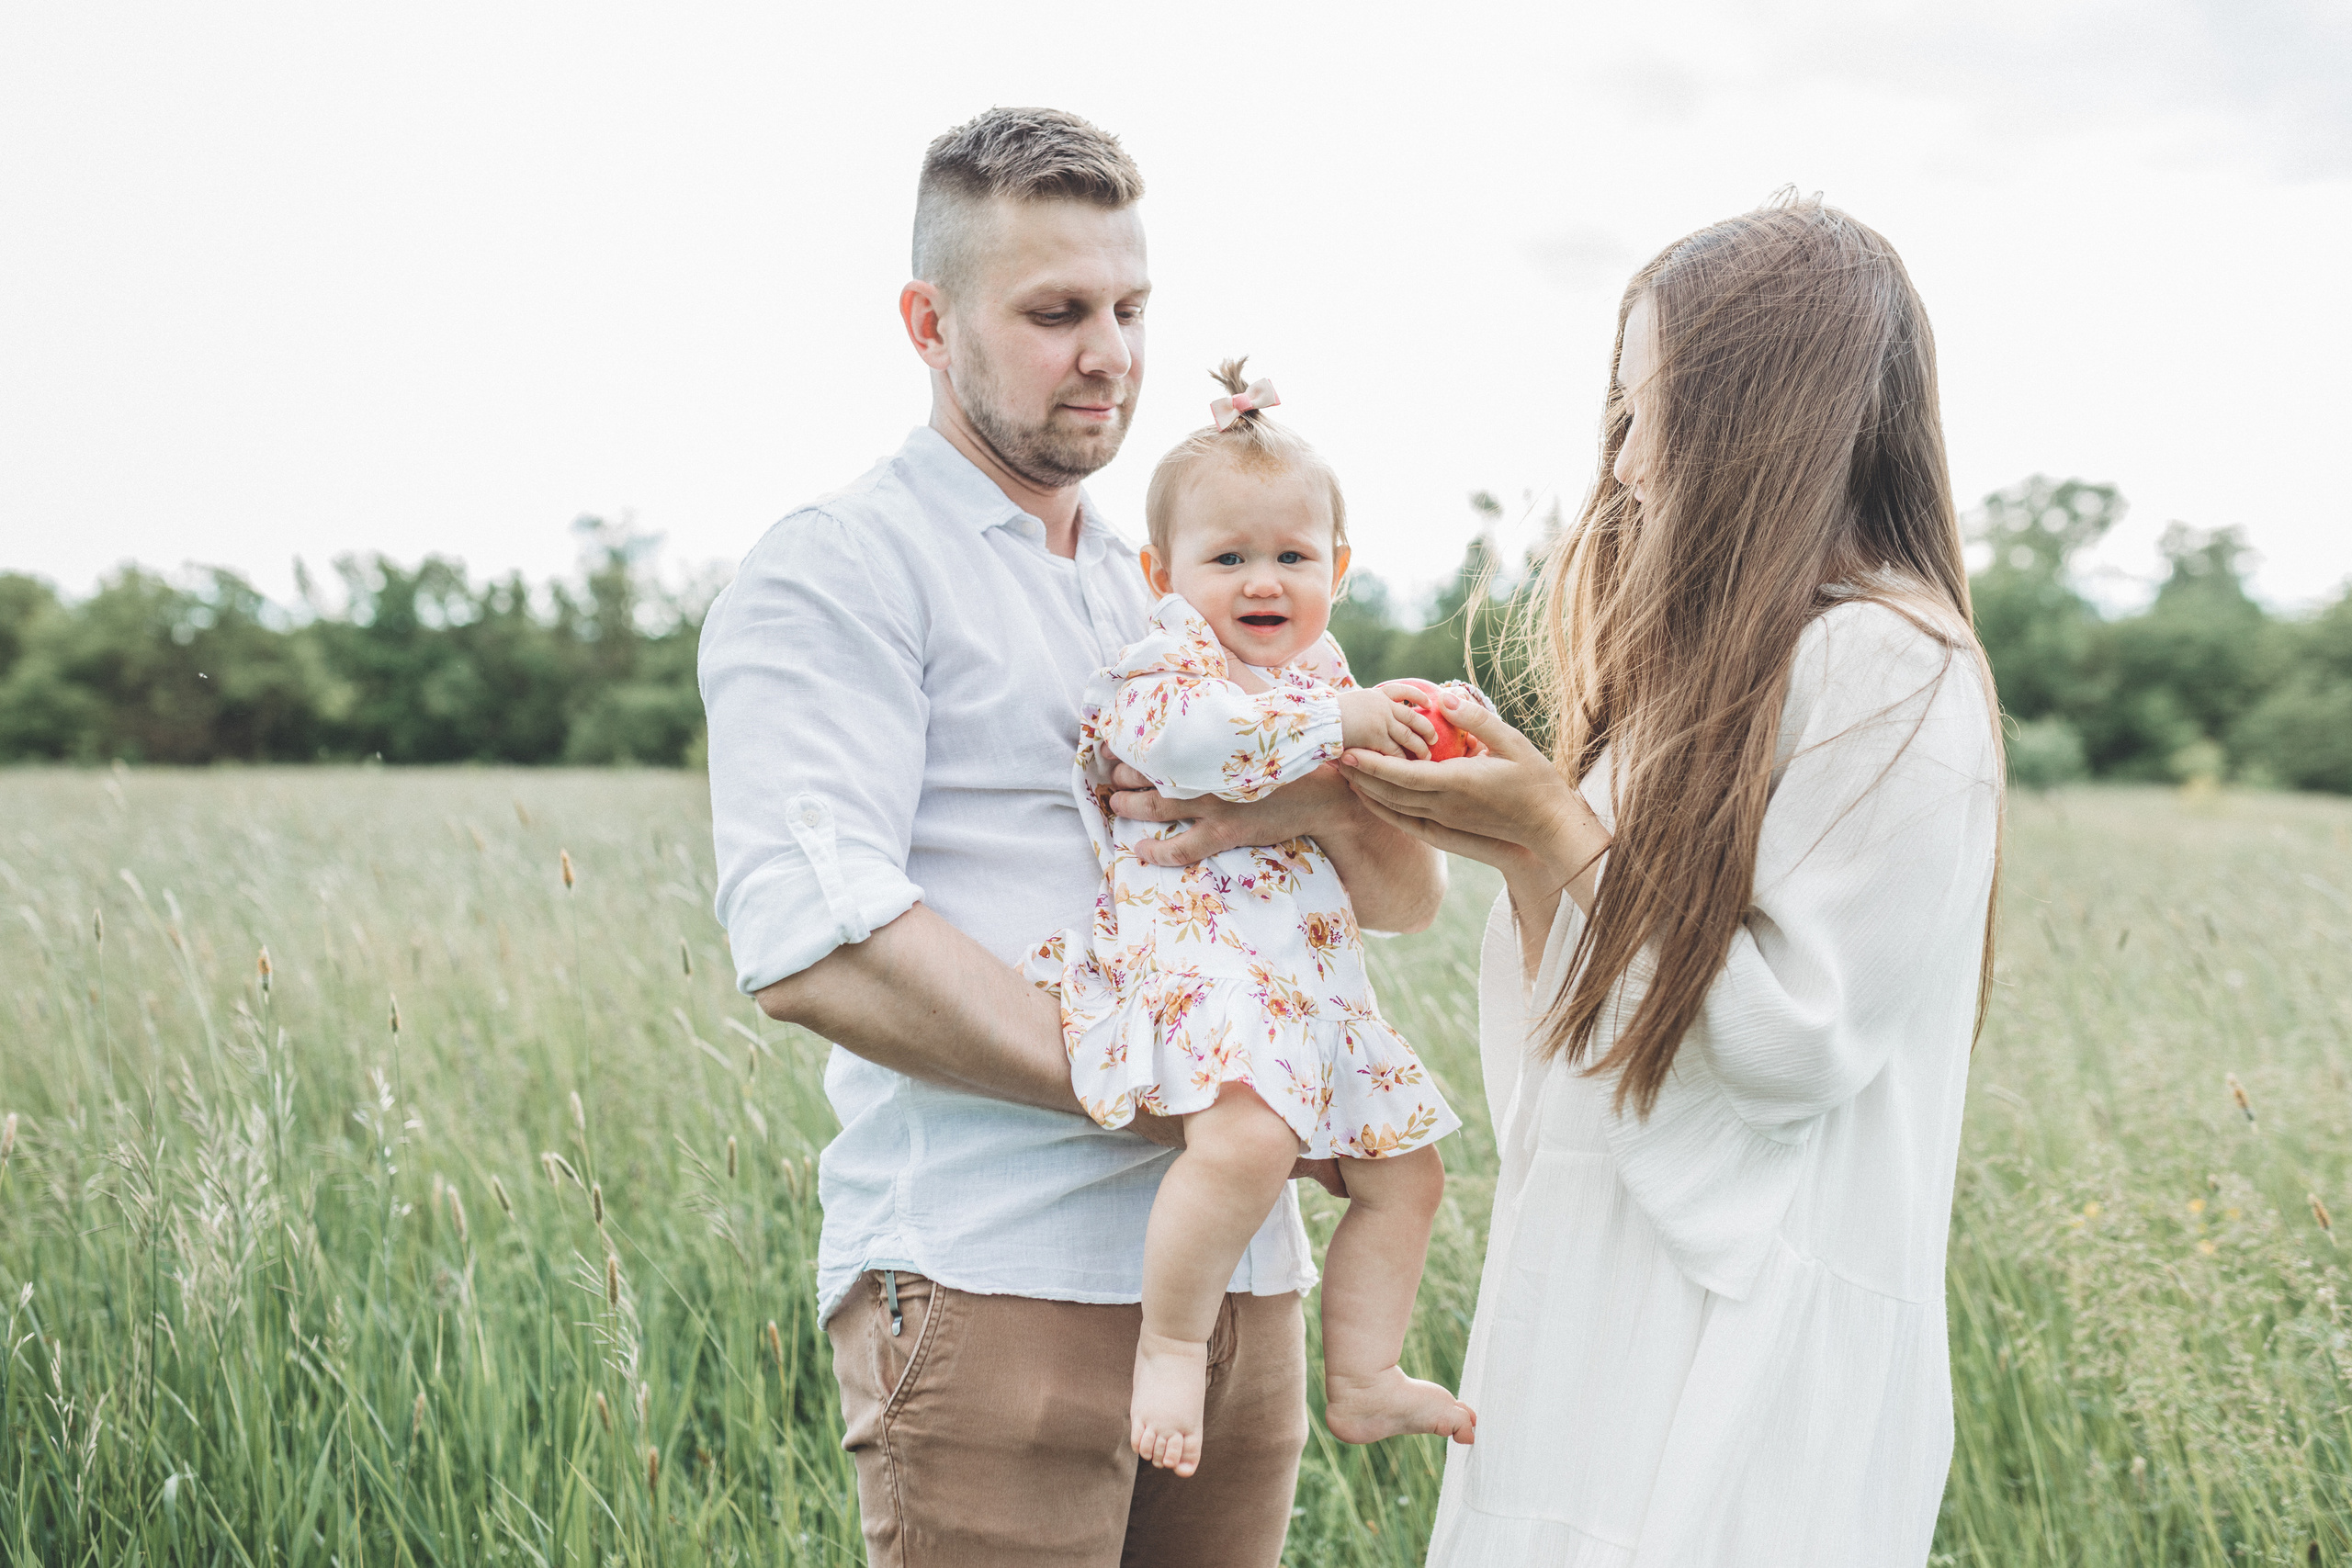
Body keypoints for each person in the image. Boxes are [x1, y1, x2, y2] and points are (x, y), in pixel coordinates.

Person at [696, 108, 1446, 1568]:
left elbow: (1400, 891)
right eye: (1054, 313)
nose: (1108, 351)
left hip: (1249, 1278)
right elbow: (814, 944)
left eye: (1128, 307)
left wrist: (1301, 797)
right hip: (998, 1270)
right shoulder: (840, 568)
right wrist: (1183, 1098)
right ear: (928, 320)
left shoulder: (1179, 579)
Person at [1340, 195, 2004, 1564]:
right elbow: (1578, 1071)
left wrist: (1561, 832)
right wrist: (1528, 848)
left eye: (1645, 415)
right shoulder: (1706, 684)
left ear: (1757, 415)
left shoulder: (1891, 666)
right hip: (1595, 1304)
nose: (1625, 464)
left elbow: (1787, 1042)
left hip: (1743, 1348)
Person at [1020, 359, 1480, 1478]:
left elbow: (1400, 868)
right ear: (1160, 573)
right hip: (1197, 963)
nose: (1260, 582)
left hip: (1309, 985)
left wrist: (1422, 728)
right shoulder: (1167, 667)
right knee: (1249, 1139)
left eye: (1291, 557)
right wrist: (1339, 723)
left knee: (1408, 1174)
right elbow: (1195, 749)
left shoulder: (1320, 675)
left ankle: (1366, 1377)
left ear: (1339, 567)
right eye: (1226, 559)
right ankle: (1170, 1342)